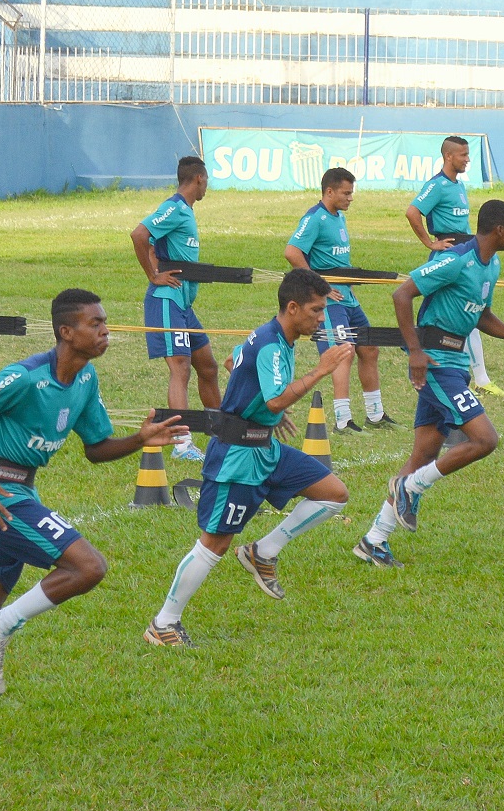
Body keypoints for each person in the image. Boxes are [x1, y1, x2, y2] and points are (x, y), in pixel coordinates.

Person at [0, 289, 189, 754]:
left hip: (19, 490)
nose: (106, 331)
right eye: (96, 324)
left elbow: (96, 449)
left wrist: (141, 439)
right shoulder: (25, 377)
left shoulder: (85, 380)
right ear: (66, 332)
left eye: (105, 322)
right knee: (88, 567)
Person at [147, 269, 357, 636]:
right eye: (316, 310)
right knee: (215, 543)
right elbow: (276, 396)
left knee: (334, 495)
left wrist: (263, 409)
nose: (321, 318)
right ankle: (163, 623)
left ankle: (263, 552)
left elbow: (233, 364)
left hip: (265, 446)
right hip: (238, 457)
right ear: (292, 308)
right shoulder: (272, 343)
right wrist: (321, 371)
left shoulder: (269, 334)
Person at [357, 201, 504, 566]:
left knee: (422, 456)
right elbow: (401, 295)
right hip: (435, 365)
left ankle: (374, 539)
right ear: (499, 230)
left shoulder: (491, 264)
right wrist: (414, 352)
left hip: (456, 363)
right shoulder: (456, 260)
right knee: (485, 439)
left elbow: (481, 315)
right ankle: (411, 487)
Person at [285, 166, 391, 433]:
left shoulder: (338, 216)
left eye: (351, 193)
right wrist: (318, 286)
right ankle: (343, 420)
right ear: (329, 191)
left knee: (369, 349)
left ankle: (375, 415)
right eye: (346, 193)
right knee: (343, 353)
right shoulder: (315, 219)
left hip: (349, 298)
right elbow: (292, 252)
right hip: (331, 303)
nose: (350, 198)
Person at [131, 156, 222, 461]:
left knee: (208, 367)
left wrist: (157, 262)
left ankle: (220, 432)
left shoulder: (185, 212)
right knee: (180, 368)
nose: (207, 185)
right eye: (206, 180)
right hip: (166, 302)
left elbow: (155, 244)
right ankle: (182, 443)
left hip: (183, 305)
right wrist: (153, 275)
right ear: (198, 179)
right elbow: (140, 234)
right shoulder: (175, 208)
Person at [406, 135, 503, 398]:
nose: (468, 159)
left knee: (470, 314)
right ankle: (474, 377)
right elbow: (412, 212)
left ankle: (477, 377)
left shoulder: (458, 186)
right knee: (458, 314)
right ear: (449, 156)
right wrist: (430, 243)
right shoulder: (437, 185)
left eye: (468, 154)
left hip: (466, 252)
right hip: (450, 258)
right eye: (463, 155)